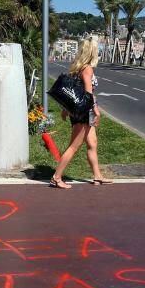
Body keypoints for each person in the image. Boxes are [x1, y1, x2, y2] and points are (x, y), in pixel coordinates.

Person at [50, 38, 110, 189]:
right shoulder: (87, 69)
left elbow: (73, 93)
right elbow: (88, 94)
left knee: (92, 144)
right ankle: (56, 177)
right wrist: (97, 111)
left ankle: (97, 176)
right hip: (84, 112)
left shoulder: (77, 68)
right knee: (74, 146)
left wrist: (66, 110)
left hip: (79, 111)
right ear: (92, 52)